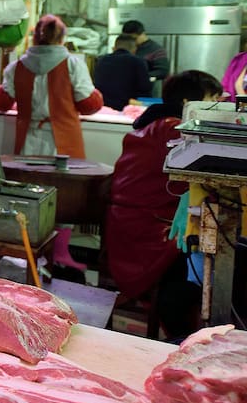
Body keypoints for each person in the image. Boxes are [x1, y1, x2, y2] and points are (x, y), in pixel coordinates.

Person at [105, 70, 223, 341]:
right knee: (194, 269)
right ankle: (184, 338)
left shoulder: (153, 124)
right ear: (188, 103)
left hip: (131, 223)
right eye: (212, 100)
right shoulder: (172, 127)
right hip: (146, 231)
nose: (218, 107)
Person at [0, 14, 103, 158]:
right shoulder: (74, 65)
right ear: (62, 38)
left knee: (29, 178)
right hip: (64, 141)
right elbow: (89, 105)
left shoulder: (16, 67)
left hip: (28, 140)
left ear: (35, 38)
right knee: (63, 180)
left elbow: (2, 104)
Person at [92, 34, 152, 110]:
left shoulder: (101, 60)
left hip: (103, 108)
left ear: (114, 47)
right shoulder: (138, 62)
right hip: (127, 109)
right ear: (134, 49)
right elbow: (145, 89)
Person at [122, 19, 170, 87]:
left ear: (142, 34)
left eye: (134, 38)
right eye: (128, 39)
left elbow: (163, 71)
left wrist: (139, 76)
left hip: (149, 91)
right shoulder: (127, 48)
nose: (131, 41)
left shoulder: (156, 49)